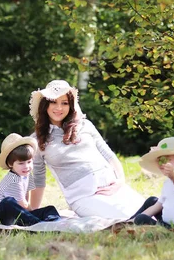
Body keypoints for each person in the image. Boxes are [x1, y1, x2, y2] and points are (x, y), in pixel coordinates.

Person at [28, 80, 149, 219]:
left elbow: (108, 154)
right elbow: (38, 179)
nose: (59, 108)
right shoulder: (37, 140)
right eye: (53, 102)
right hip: (83, 197)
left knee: (152, 212)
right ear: (45, 105)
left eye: (65, 103)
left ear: (71, 105)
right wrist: (34, 212)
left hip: (112, 187)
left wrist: (120, 181)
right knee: (128, 218)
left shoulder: (85, 125)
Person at [0, 133, 61, 226]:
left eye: (29, 162)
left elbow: (26, 196)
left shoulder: (26, 175)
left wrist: (34, 212)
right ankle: (37, 223)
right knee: (8, 202)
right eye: (21, 163)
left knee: (50, 209)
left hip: (17, 213)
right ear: (10, 164)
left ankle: (51, 221)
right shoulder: (13, 180)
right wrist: (31, 213)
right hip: (1, 217)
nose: (26, 166)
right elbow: (23, 204)